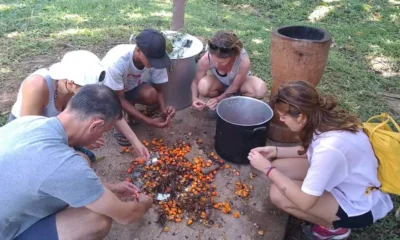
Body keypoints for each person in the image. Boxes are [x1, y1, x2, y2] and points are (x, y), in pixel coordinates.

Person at [0, 85, 153, 240]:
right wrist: (144, 203)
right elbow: (126, 216)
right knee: (97, 220)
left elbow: (54, 175)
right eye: (103, 131)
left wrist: (111, 187)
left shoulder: (31, 122)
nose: (101, 137)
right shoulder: (63, 164)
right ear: (95, 125)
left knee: (82, 157)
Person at [248, 81, 393, 240]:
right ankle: (319, 198)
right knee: (280, 167)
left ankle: (335, 229)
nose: (282, 120)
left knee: (278, 194)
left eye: (284, 116)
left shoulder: (329, 149)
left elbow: (305, 203)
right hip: (347, 181)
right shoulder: (322, 119)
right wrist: (275, 151)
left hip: (360, 204)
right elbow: (312, 150)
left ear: (301, 117)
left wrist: (267, 169)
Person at [8, 50, 149, 160]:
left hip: (54, 130)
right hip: (27, 137)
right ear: (70, 83)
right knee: (80, 161)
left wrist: (136, 142)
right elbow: (31, 137)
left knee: (83, 157)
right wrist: (76, 141)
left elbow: (110, 110)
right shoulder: (37, 86)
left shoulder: (82, 85)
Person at [101, 28, 176, 145]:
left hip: (130, 87)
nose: (154, 63)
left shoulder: (156, 60)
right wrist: (148, 121)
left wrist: (163, 109)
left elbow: (159, 90)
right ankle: (119, 123)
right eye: (151, 59)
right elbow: (119, 99)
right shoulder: (116, 62)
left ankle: (131, 112)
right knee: (115, 104)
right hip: (109, 93)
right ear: (138, 50)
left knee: (151, 94)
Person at [191, 30, 267, 116]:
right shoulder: (206, 58)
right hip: (219, 84)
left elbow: (235, 86)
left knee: (260, 90)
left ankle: (235, 105)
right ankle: (223, 103)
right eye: (214, 60)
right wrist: (194, 98)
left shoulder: (243, 61)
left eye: (221, 62)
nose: (216, 64)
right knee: (203, 86)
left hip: (239, 85)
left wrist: (218, 99)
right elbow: (196, 81)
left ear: (233, 56)